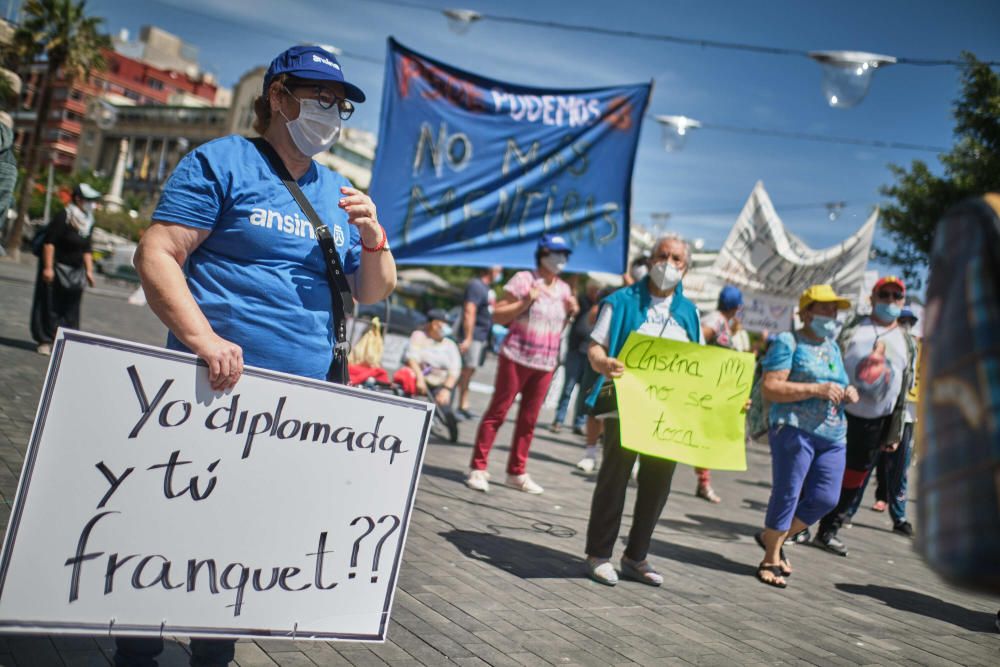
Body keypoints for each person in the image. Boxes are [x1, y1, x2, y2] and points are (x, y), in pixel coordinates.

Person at [124, 45, 395, 667]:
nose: (332, 111)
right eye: (320, 97)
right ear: (278, 97)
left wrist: (375, 238)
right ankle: (136, 646)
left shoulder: (338, 192)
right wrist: (204, 340)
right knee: (171, 523)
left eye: (341, 103)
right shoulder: (222, 162)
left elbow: (374, 289)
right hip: (209, 388)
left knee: (242, 535)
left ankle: (212, 653)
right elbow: (158, 254)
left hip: (293, 406)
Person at [581, 234, 704, 586]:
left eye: (676, 259)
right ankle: (599, 554)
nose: (668, 264)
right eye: (662, 256)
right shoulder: (619, 302)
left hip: (669, 415)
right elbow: (595, 347)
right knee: (615, 478)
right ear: (649, 261)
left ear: (686, 267)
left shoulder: (690, 313)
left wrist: (727, 398)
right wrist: (604, 364)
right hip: (626, 407)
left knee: (658, 484)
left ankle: (636, 557)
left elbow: (703, 365)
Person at [753, 284, 859, 587]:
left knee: (826, 498)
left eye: (833, 309)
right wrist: (817, 389)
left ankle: (772, 537)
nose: (831, 314)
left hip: (833, 434)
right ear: (807, 311)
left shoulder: (833, 346)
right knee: (788, 492)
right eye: (824, 307)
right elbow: (771, 387)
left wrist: (849, 391)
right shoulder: (789, 341)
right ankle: (770, 557)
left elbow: (838, 382)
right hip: (794, 428)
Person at [466, 234, 578, 494]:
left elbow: (558, 327)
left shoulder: (564, 289)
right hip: (516, 357)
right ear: (543, 253)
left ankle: (516, 472)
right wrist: (525, 301)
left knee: (529, 420)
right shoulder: (523, 279)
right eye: (557, 253)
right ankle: (478, 468)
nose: (562, 259)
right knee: (498, 412)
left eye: (565, 254)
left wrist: (571, 311)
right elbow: (497, 316)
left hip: (546, 363)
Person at [813, 276, 917, 557]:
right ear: (872, 297)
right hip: (838, 413)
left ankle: (828, 529)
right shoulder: (853, 327)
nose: (891, 300)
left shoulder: (907, 341)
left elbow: (905, 389)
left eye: (897, 296)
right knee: (821, 470)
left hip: (876, 423)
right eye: (885, 294)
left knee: (854, 478)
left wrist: (894, 433)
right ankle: (800, 524)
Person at [844, 307, 919, 536]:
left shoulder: (913, 346)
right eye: (902, 319)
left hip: (905, 417)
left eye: (910, 321)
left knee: (899, 470)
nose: (905, 323)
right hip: (875, 415)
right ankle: (846, 510)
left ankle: (899, 515)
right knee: (863, 465)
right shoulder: (874, 338)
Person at [29, 183, 101, 355]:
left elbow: (87, 249)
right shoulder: (64, 216)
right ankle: (45, 340)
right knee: (50, 304)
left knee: (71, 308)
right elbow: (49, 242)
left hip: (76, 271)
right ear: (78, 199)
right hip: (56, 267)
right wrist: (48, 268)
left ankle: (66, 342)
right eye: (89, 200)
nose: (92, 204)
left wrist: (89, 271)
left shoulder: (88, 221)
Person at [694, 284, 745, 503]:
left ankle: (703, 481)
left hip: (714, 390)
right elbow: (699, 341)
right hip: (704, 389)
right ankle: (704, 483)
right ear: (737, 306)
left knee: (707, 436)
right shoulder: (714, 321)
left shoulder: (723, 322)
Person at [551, 279, 601, 435]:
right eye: (593, 290)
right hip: (575, 350)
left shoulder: (602, 306)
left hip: (590, 354)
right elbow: (574, 308)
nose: (594, 293)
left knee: (585, 391)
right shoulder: (581, 301)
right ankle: (559, 419)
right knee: (568, 387)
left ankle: (579, 422)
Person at [455, 265, 502, 420]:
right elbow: (469, 311)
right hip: (473, 336)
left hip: (481, 337)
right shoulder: (476, 285)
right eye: (499, 269)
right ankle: (450, 406)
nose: (500, 272)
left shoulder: (487, 289)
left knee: (469, 372)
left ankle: (463, 405)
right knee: (462, 372)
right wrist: (468, 337)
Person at [394, 309, 462, 410]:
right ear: (434, 324)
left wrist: (446, 389)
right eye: (444, 324)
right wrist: (420, 379)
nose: (447, 327)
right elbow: (411, 359)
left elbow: (455, 370)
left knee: (445, 410)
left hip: (441, 384)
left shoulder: (450, 344)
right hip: (419, 379)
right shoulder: (419, 336)